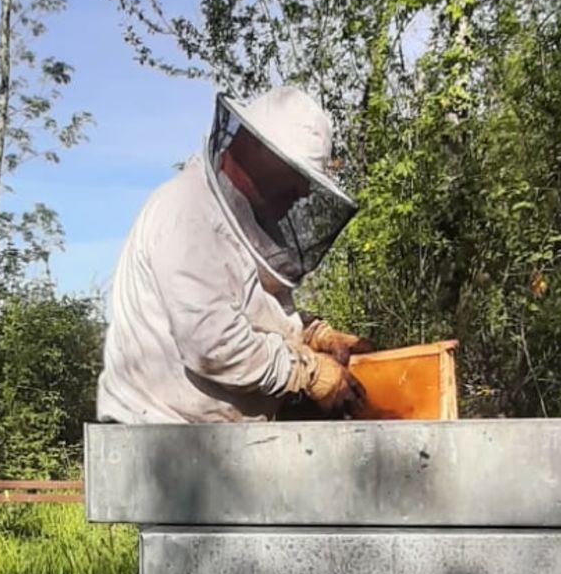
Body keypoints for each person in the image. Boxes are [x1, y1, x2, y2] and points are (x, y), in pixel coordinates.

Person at [97, 84, 370, 424]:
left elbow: (254, 309)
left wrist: (309, 334)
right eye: (297, 173)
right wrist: (307, 372)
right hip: (160, 444)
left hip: (215, 450)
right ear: (254, 148)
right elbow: (214, 345)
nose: (303, 191)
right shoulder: (189, 214)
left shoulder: (243, 227)